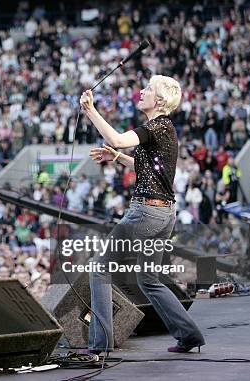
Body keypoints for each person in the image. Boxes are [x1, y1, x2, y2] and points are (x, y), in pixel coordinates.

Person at [79, 75, 205, 354]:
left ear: (159, 100)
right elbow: (150, 167)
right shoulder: (166, 129)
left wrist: (90, 111)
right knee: (148, 279)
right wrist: (118, 157)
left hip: (145, 213)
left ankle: (100, 344)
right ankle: (189, 335)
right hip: (164, 215)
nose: (142, 91)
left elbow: (116, 138)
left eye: (148, 89)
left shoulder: (154, 126)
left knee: (99, 269)